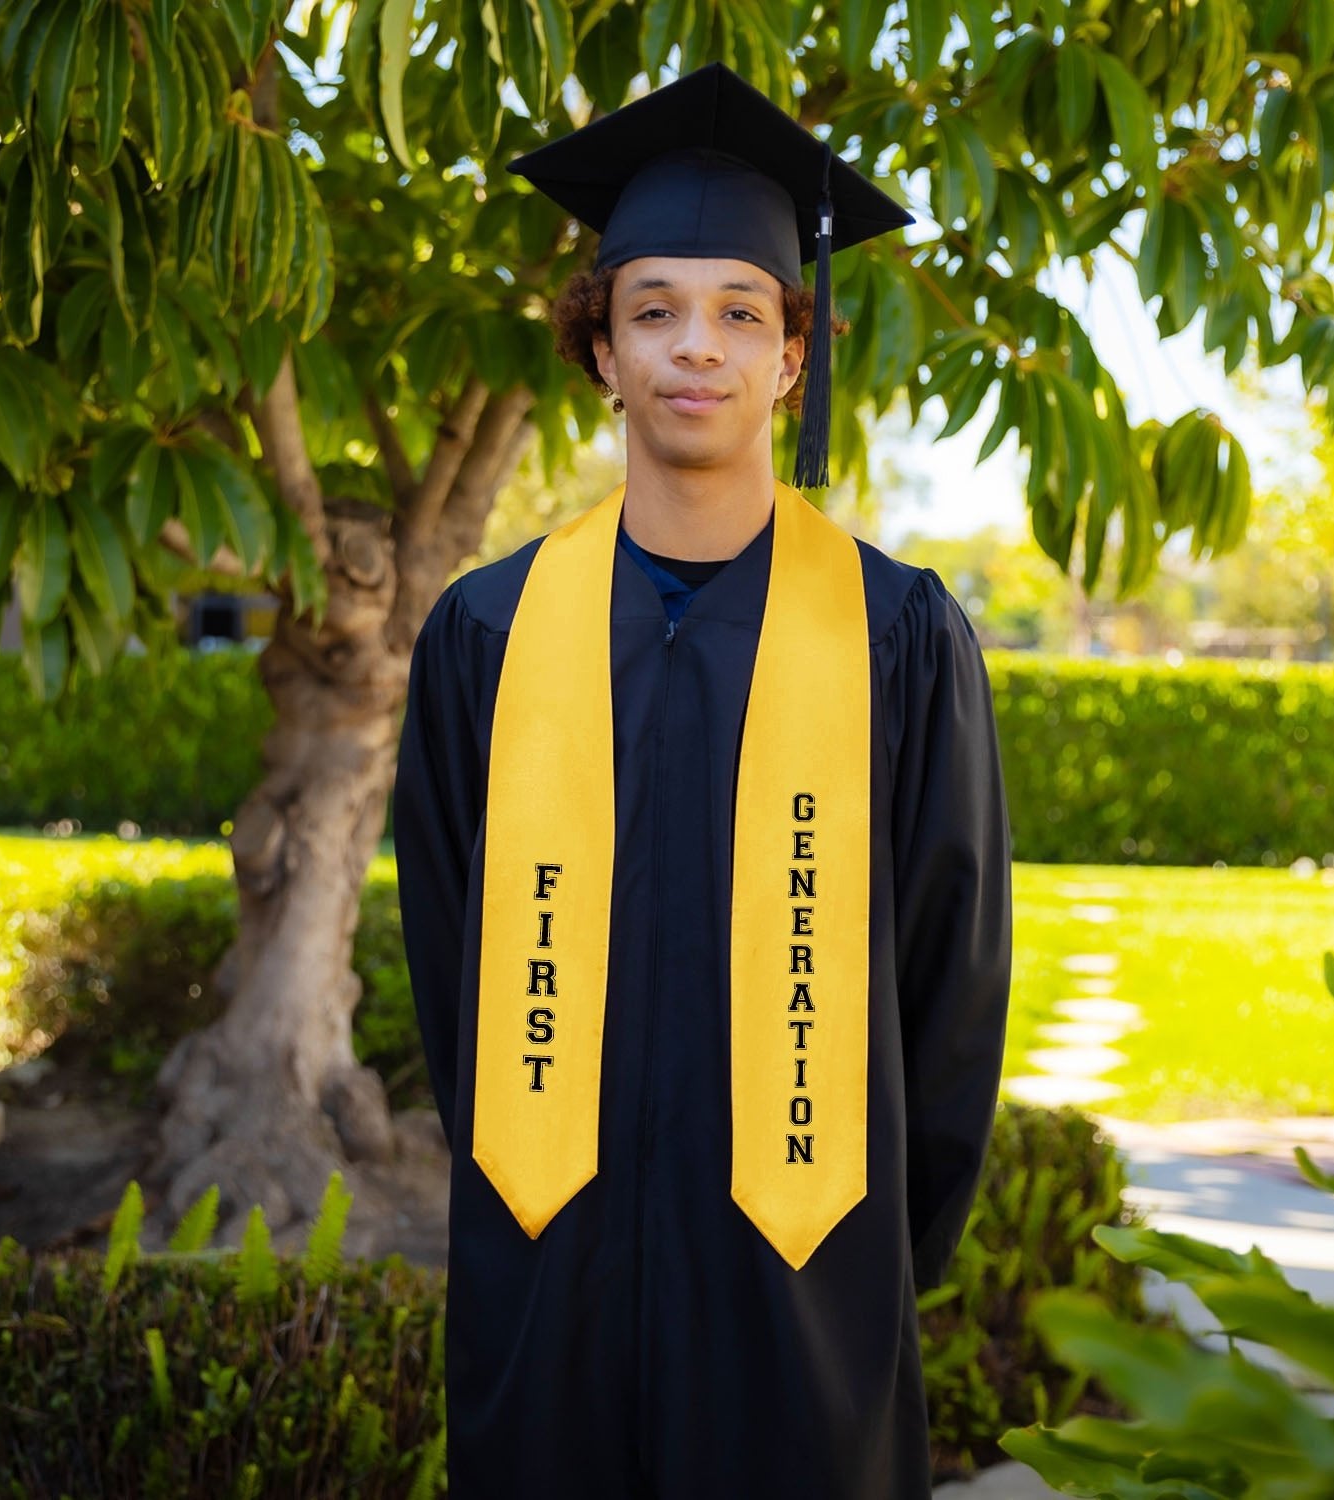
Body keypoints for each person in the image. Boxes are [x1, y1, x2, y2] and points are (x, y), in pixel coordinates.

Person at [393, 61, 1012, 1500]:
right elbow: (451, 962)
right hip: (551, 1277)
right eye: (653, 309)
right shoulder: (487, 632)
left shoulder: (898, 633)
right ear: (601, 351)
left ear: (793, 356)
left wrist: (868, 1261)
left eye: (741, 312)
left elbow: (951, 968)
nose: (697, 348)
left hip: (804, 1281)